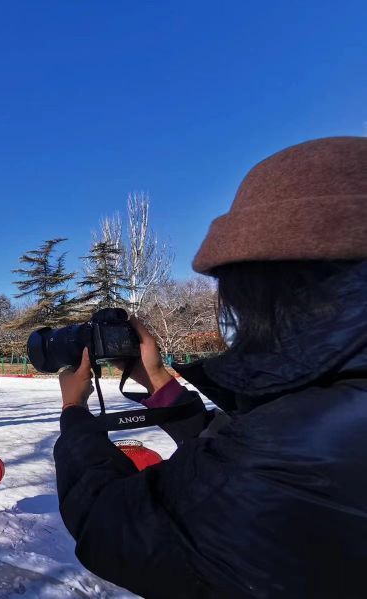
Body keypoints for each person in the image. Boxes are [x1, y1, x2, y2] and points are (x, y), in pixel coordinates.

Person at [53, 137, 367, 597]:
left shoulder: (301, 447)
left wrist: (75, 415)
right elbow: (241, 452)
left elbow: (117, 525)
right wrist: (160, 382)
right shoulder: (328, 415)